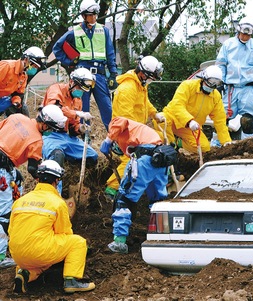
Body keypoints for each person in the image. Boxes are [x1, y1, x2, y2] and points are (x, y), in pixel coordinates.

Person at [8, 160, 95, 294]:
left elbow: (11, 230)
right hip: (40, 251)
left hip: (17, 255)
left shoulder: (20, 201)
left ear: (38, 179)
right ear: (57, 180)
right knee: (77, 242)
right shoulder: (57, 203)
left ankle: (24, 274)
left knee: (39, 262)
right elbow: (65, 232)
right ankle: (71, 281)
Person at [0, 105, 67, 269]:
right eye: (50, 129)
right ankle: (1, 255)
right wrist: (47, 183)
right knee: (5, 213)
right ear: (44, 124)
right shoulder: (37, 140)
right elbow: (32, 168)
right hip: (2, 169)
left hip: (6, 164)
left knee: (18, 186)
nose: (49, 132)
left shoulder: (17, 118)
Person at [100, 117, 176, 254]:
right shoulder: (141, 131)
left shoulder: (120, 123)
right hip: (160, 161)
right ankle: (161, 236)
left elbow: (120, 122)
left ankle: (119, 242)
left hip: (144, 159)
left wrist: (108, 140)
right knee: (158, 201)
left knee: (124, 200)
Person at [104, 55, 164, 200]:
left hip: (136, 131)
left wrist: (155, 114)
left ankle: (145, 180)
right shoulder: (127, 89)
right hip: (125, 131)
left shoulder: (141, 86)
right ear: (143, 73)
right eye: (151, 77)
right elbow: (125, 119)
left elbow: (145, 103)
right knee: (131, 159)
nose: (152, 80)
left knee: (158, 142)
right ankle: (111, 189)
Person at [53, 0, 118, 130]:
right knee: (82, 110)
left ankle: (114, 141)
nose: (94, 17)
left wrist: (113, 74)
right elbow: (57, 48)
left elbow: (110, 53)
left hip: (99, 75)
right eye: (90, 15)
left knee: (108, 110)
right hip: (82, 75)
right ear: (83, 15)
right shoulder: (74, 31)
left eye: (95, 14)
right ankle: (83, 140)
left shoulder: (103, 30)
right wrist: (69, 62)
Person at [41, 68, 98, 194]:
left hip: (65, 136)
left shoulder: (78, 100)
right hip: (49, 134)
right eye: (79, 88)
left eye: (83, 90)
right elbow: (54, 109)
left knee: (92, 156)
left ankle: (79, 183)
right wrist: (76, 113)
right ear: (72, 82)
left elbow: (73, 128)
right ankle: (56, 194)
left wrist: (80, 129)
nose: (80, 92)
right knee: (57, 156)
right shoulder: (56, 90)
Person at [216, 17, 253, 139]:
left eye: (248, 35)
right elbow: (221, 65)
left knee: (248, 120)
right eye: (243, 34)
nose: (245, 37)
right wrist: (219, 83)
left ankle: (248, 145)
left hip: (248, 88)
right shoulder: (228, 45)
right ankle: (218, 145)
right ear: (238, 31)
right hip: (231, 89)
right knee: (222, 118)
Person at [157, 65, 231, 154]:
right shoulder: (187, 85)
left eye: (217, 83)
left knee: (204, 148)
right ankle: (171, 146)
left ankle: (179, 143)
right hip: (173, 119)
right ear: (204, 78)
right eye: (211, 82)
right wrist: (189, 121)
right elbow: (177, 105)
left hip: (190, 128)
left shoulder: (216, 97)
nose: (213, 86)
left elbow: (220, 121)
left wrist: (226, 142)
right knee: (162, 120)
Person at [0, 46, 47, 116]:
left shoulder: (24, 76)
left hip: (2, 99)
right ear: (26, 60)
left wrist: (16, 103)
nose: (35, 69)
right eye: (34, 66)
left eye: (37, 68)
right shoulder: (6, 66)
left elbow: (18, 94)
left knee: (22, 109)